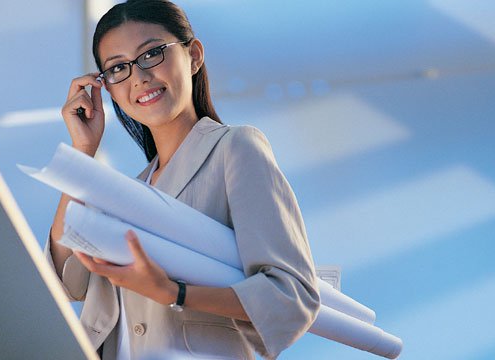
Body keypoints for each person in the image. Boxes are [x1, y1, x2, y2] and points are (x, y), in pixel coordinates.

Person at [45, 1, 320, 359]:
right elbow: (65, 282)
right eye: (118, 68)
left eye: (153, 53)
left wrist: (174, 292)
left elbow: (292, 298)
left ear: (193, 55)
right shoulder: (125, 194)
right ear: (107, 88)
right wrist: (83, 151)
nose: (140, 77)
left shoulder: (235, 148)